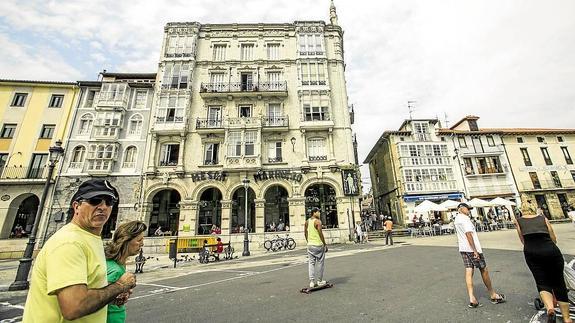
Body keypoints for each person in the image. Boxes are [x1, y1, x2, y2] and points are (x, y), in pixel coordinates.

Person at [22, 179, 137, 322]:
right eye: (95, 201)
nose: (103, 207)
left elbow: (89, 289)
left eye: (109, 202)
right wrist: (119, 286)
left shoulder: (88, 239)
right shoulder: (69, 243)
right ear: (76, 206)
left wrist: (111, 297)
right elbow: (74, 306)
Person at [513, 209, 572, 322]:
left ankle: (550, 309)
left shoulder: (518, 221)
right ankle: (567, 318)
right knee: (558, 283)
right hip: (550, 250)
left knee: (541, 282)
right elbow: (553, 237)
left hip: (531, 252)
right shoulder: (543, 218)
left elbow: (523, 240)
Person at [454, 202, 505, 308]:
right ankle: (493, 294)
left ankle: (472, 298)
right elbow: (468, 234)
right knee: (484, 269)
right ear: (461, 209)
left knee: (469, 271)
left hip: (463, 248)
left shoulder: (457, 219)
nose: (469, 211)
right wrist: (475, 251)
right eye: (467, 209)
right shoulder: (465, 219)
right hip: (472, 249)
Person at [105, 221, 147, 323]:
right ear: (126, 240)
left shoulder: (116, 263)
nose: (142, 243)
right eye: (139, 240)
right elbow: (100, 300)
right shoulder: (115, 271)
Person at [305, 207, 328, 288]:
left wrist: (308, 241)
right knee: (320, 263)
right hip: (318, 245)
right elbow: (320, 233)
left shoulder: (307, 221)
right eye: (318, 212)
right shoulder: (318, 222)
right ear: (314, 212)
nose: (319, 213)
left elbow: (305, 233)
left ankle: (311, 281)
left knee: (311, 263)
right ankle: (319, 280)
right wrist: (325, 244)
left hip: (310, 245)